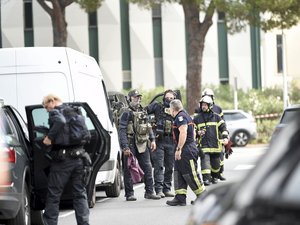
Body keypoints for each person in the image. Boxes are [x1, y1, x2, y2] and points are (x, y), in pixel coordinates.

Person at [42, 94, 90, 225]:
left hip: (63, 161)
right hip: (80, 158)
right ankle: (84, 223)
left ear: (52, 101)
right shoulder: (74, 111)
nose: (47, 110)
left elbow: (60, 121)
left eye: (46, 107)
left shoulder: (56, 113)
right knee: (80, 194)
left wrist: (49, 138)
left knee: (54, 195)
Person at [118, 89, 161, 201]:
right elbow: (121, 130)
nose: (138, 99)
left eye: (139, 97)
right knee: (128, 169)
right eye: (135, 97)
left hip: (142, 143)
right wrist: (125, 146)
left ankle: (150, 192)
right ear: (130, 98)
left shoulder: (143, 111)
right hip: (130, 143)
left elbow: (148, 126)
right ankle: (129, 194)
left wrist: (152, 140)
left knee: (147, 167)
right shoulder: (126, 112)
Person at [166, 99, 206, 206]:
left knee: (190, 174)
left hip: (186, 149)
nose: (169, 111)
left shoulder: (180, 117)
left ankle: (203, 197)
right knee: (178, 173)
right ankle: (180, 197)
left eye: (170, 109)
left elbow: (183, 132)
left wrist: (179, 149)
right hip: (186, 147)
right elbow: (192, 133)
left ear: (173, 109)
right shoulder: (186, 115)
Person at [145, 89, 177, 198]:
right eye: (168, 98)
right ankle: (158, 190)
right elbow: (143, 113)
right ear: (164, 98)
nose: (169, 100)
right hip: (159, 140)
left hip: (171, 141)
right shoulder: (157, 106)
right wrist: (150, 127)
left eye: (172, 98)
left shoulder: (176, 109)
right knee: (159, 166)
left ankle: (166, 189)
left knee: (169, 166)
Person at [193, 95, 229, 186]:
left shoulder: (217, 117)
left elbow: (223, 128)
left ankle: (215, 176)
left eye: (205, 105)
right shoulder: (197, 118)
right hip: (204, 146)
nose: (203, 106)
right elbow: (192, 131)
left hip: (215, 146)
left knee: (216, 165)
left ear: (210, 105)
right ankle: (206, 179)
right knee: (205, 163)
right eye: (202, 105)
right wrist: (198, 133)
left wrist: (225, 138)